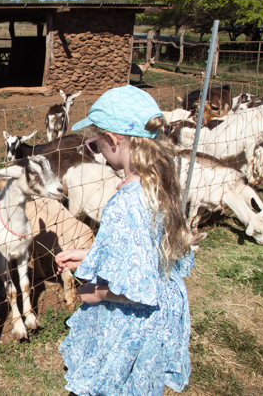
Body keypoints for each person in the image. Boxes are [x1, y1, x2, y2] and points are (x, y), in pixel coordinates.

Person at [55, 85, 194, 395]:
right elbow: (145, 256)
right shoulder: (161, 185)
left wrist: (92, 292)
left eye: (94, 144)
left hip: (130, 328)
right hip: (156, 324)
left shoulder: (126, 204)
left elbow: (136, 291)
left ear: (114, 140)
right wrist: (92, 258)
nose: (96, 151)